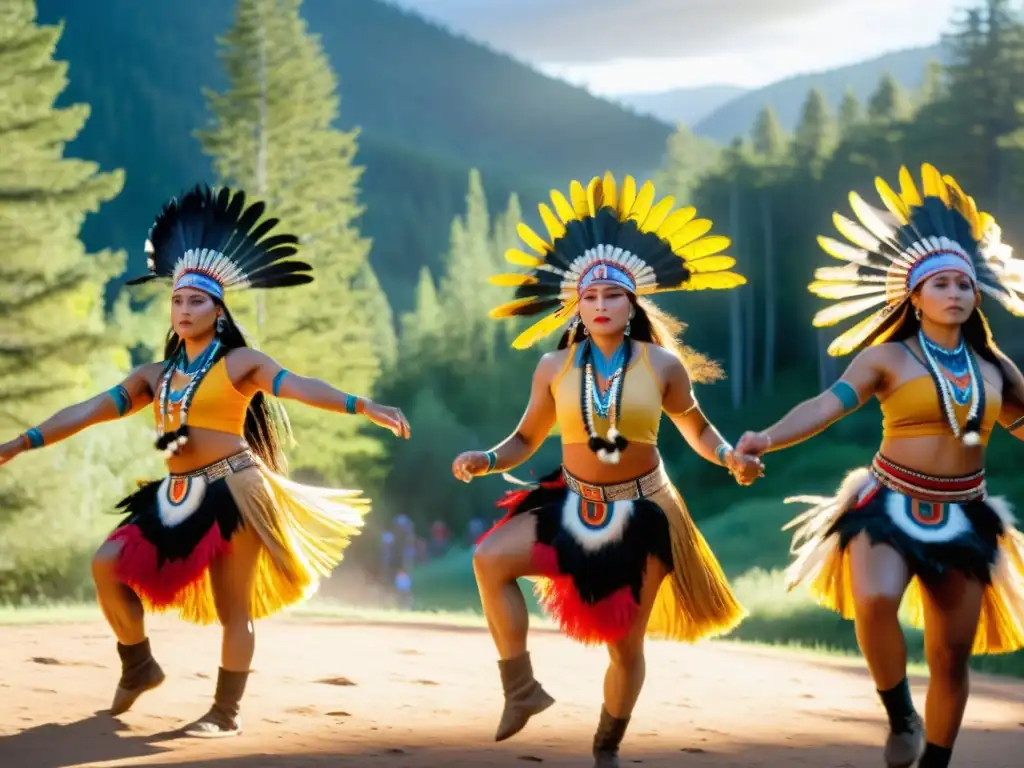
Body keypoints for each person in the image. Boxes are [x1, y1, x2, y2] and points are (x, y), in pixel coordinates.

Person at [0, 185, 411, 737]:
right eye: (177, 301)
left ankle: (225, 712)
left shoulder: (241, 362)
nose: (185, 308)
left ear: (218, 313)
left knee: (230, 607)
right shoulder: (154, 376)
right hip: (174, 494)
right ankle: (139, 664)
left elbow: (299, 386)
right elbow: (88, 410)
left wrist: (365, 406)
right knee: (106, 564)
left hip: (236, 491)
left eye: (197, 301)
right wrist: (22, 440)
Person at [451, 172, 762, 767]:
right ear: (576, 304)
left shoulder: (663, 365)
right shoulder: (553, 365)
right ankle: (521, 690)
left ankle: (606, 745)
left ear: (632, 302)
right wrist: (487, 460)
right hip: (569, 501)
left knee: (624, 645)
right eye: (590, 297)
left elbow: (696, 426)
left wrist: (729, 458)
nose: (600, 305)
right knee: (490, 559)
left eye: (612, 296)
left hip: (644, 510)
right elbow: (525, 438)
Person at [735, 163, 1024, 768]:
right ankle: (900, 715)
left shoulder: (995, 369)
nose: (955, 294)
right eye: (940, 284)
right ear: (914, 298)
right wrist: (765, 437)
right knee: (874, 599)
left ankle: (935, 762)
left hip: (967, 516)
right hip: (887, 503)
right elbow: (825, 406)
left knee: (951, 656)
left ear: (977, 297)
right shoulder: (886, 358)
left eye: (964, 285)